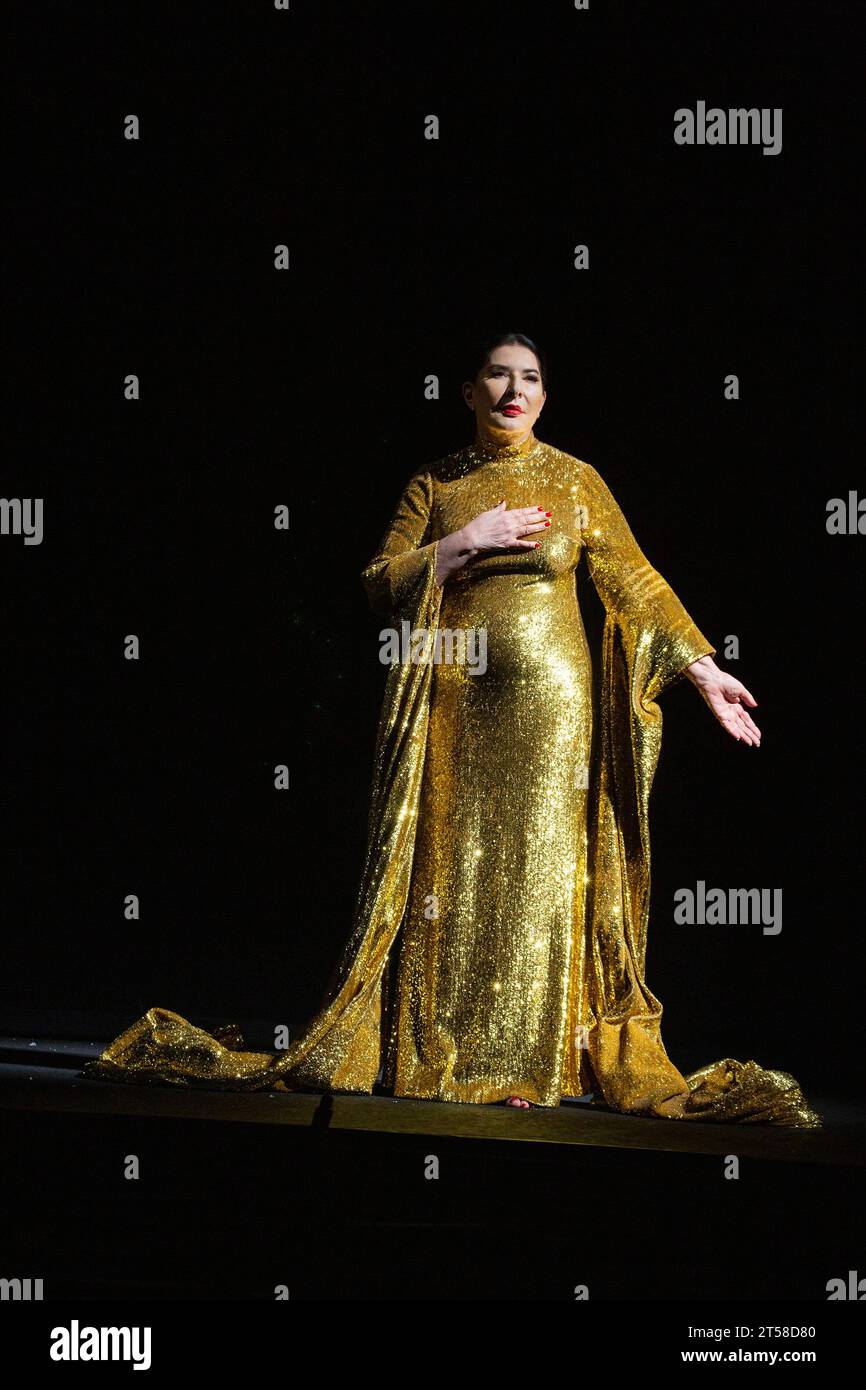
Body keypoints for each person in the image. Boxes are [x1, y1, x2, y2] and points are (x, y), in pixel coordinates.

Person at [84, 332, 821, 1127]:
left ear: (544, 394)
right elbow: (377, 584)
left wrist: (703, 671)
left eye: (531, 378)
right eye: (498, 376)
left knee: (537, 881)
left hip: (554, 717)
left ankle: (522, 1067)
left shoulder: (575, 480)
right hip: (453, 711)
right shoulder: (435, 482)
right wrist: (463, 544)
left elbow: (635, 579)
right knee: (450, 878)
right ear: (467, 391)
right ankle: (433, 1055)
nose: (515, 389)